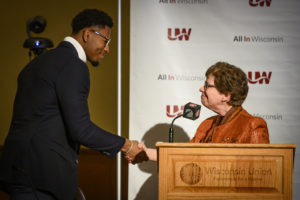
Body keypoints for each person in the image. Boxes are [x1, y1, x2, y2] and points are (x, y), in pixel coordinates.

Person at [0, 9, 147, 200]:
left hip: (19, 174)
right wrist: (126, 145)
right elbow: (81, 129)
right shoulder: (74, 65)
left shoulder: (35, 64)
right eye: (106, 40)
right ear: (87, 34)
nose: (107, 49)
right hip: (43, 179)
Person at [137, 62, 270, 162]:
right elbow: (183, 156)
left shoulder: (253, 125)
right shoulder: (207, 124)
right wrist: (145, 152)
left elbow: (260, 172)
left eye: (207, 85)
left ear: (226, 95)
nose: (201, 89)